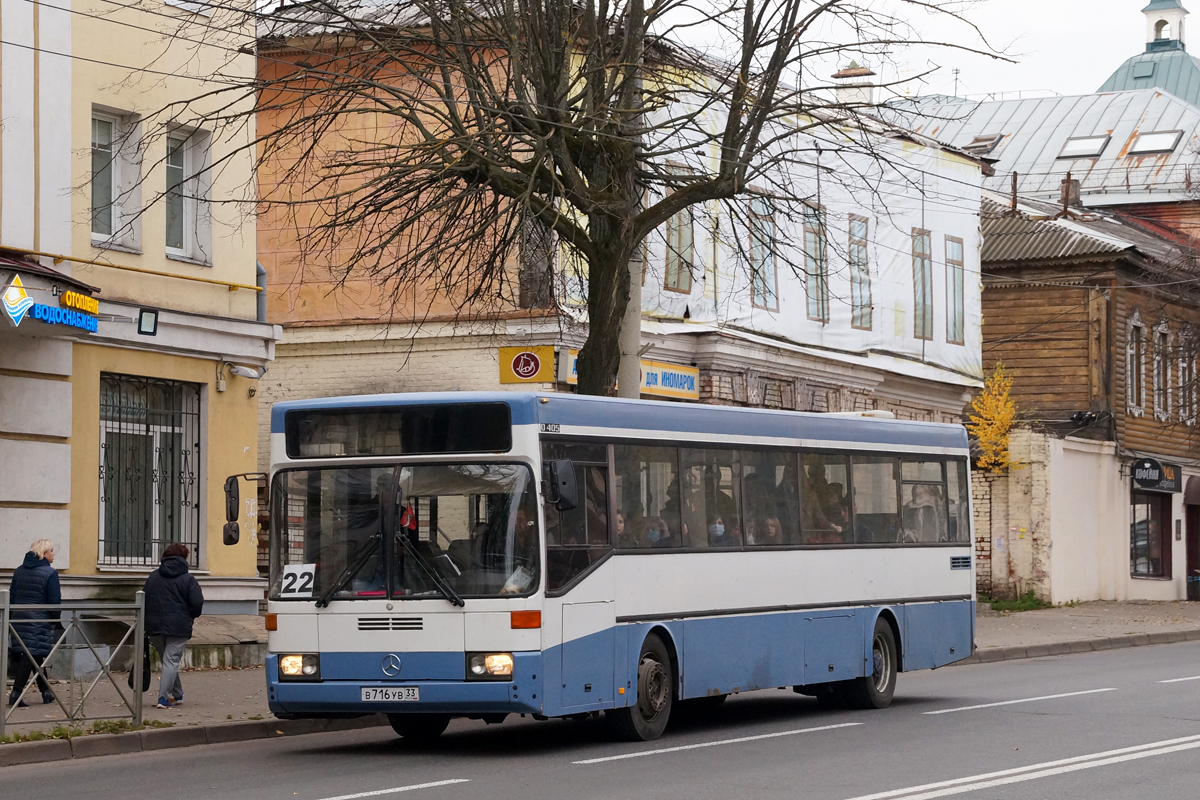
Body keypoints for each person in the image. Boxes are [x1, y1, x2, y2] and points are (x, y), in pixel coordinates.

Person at [143, 543, 204, 709]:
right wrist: (190, 616)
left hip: (154, 625)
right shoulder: (188, 579)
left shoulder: (153, 577)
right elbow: (197, 603)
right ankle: (163, 698)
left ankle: (177, 694)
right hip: (179, 626)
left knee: (168, 660)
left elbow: (144, 600)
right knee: (171, 661)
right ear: (184, 558)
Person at [7, 539, 60, 707]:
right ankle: (15, 693)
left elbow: (12, 595)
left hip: (18, 618)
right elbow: (54, 600)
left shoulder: (19, 571)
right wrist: (55, 619)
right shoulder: (50, 573)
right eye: (51, 551)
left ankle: (46, 692)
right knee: (28, 655)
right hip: (39, 620)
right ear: (44, 553)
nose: (53, 554)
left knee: (34, 654)